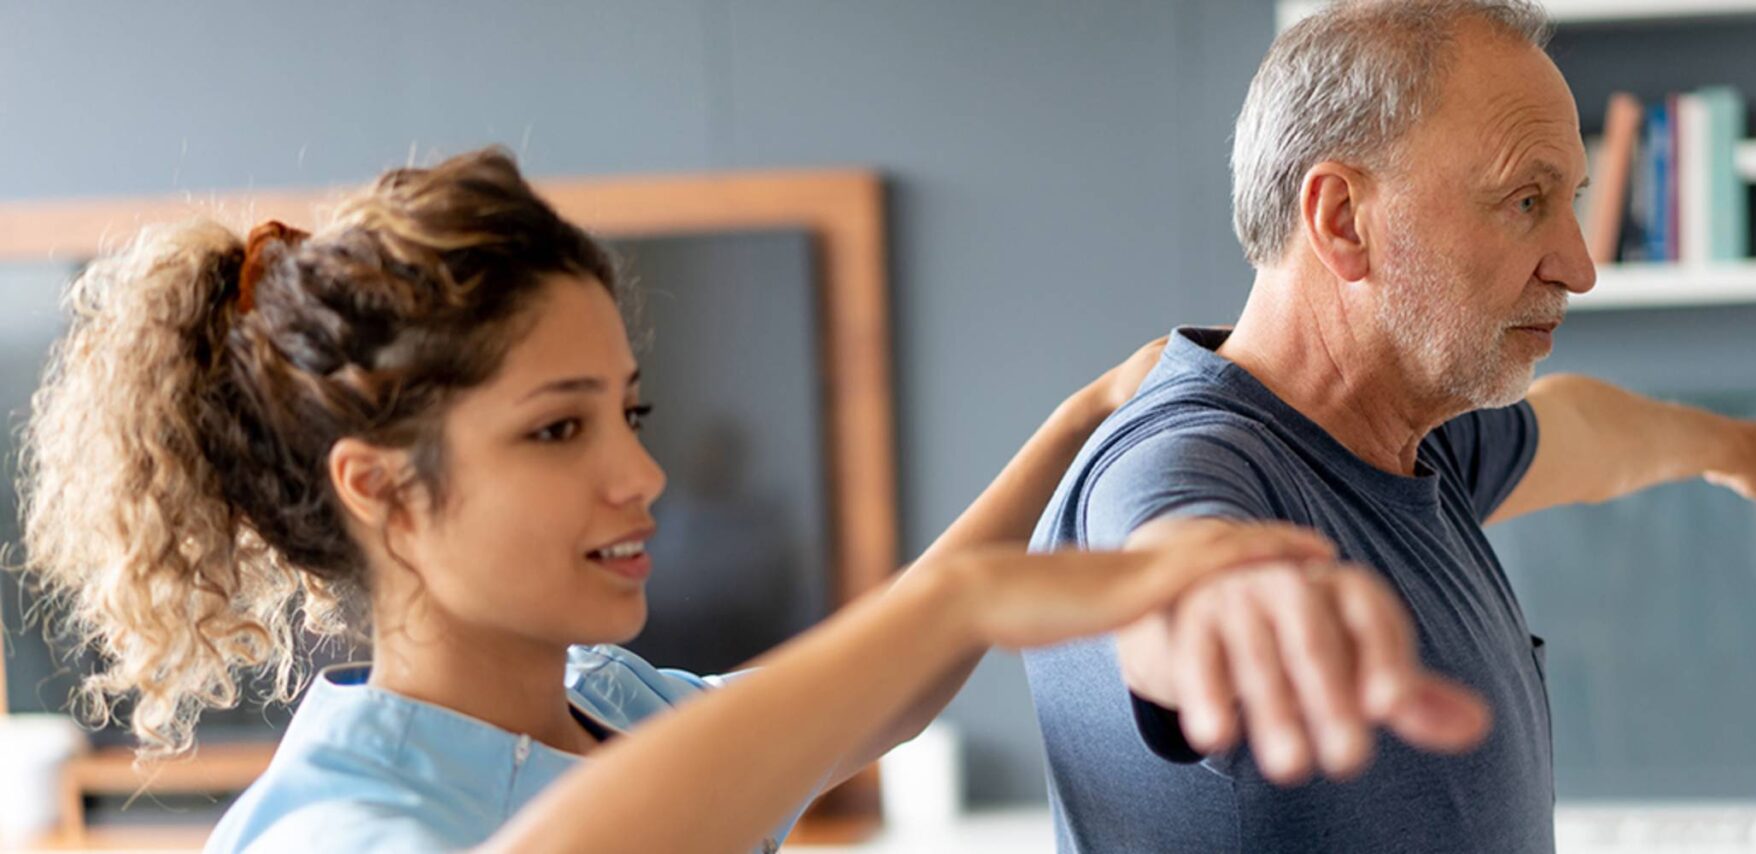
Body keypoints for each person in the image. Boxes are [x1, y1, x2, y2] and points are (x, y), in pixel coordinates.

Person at [11, 148, 1353, 853]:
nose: (638, 472)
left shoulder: (616, 702)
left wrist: (1080, 424)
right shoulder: (337, 822)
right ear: (382, 491)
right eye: (557, 426)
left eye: (625, 410)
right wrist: (967, 595)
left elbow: (852, 706)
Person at [1021, 2, 1756, 851]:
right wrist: (1233, 606)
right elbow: (1171, 557)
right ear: (1343, 221)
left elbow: (1584, 429)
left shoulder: (1406, 447)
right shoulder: (1186, 455)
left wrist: (1738, 448)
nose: (1579, 267)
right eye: (1526, 200)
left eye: (1570, 201)